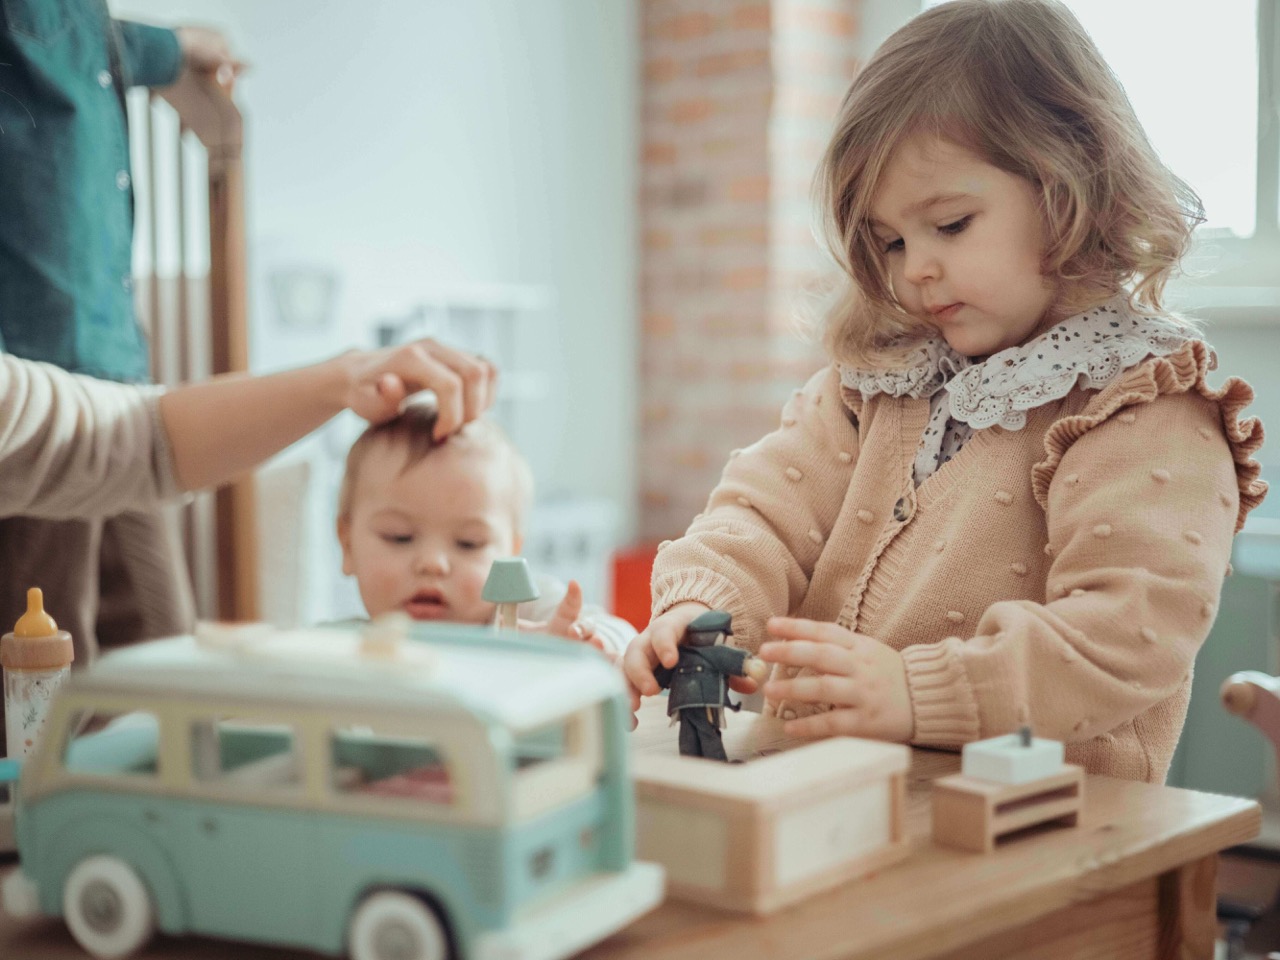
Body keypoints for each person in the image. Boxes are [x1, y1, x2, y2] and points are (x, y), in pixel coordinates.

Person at [623, 0, 1268, 783]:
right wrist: (702, 606)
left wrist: (915, 692)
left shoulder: (1144, 404)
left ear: (1072, 186)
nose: (913, 269)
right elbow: (761, 512)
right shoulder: (880, 379)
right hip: (845, 799)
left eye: (951, 225)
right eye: (892, 241)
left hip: (1051, 839)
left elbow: (1124, 637)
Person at [0, 10, 243, 673]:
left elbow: (82, 45)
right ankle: (42, 777)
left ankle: (164, 761)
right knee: (49, 642)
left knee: (163, 631)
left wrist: (176, 47)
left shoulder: (79, 20)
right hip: (44, 358)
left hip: (112, 361)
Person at [336, 402, 635, 658]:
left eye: (469, 543)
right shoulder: (340, 649)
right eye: (399, 536)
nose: (432, 563)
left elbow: (622, 636)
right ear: (347, 544)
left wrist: (582, 641)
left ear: (511, 553)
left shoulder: (519, 615)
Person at [652, 610, 767, 761]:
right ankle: (715, 762)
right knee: (707, 731)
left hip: (683, 703)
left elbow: (662, 674)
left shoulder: (683, 653)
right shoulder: (717, 653)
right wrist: (750, 665)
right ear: (720, 635)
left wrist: (654, 680)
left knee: (688, 731)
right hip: (704, 700)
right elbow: (736, 660)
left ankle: (690, 760)